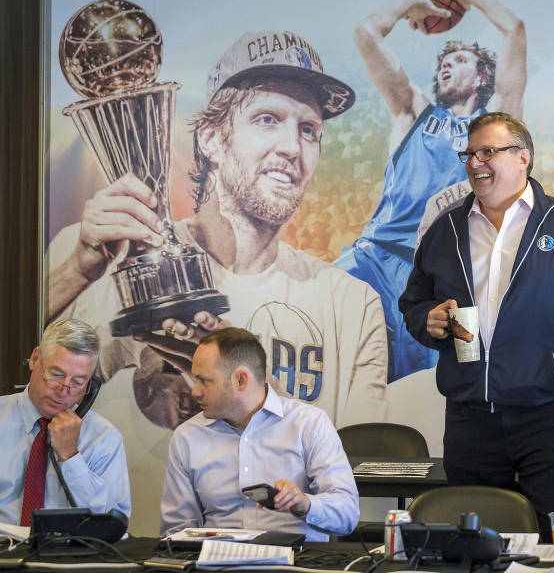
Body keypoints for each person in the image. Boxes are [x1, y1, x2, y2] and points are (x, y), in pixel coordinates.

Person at [45, 29, 388, 430]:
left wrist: (244, 386)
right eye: (267, 119)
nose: (293, 147)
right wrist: (77, 273)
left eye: (309, 129)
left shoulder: (352, 304)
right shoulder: (101, 259)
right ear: (210, 138)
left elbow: (358, 470)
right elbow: (22, 393)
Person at [399, 112, 554, 539]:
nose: (475, 162)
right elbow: (413, 302)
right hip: (470, 420)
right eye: (469, 153)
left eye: (488, 152)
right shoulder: (445, 229)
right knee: (474, 545)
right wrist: (427, 319)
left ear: (523, 158)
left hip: (551, 420)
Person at [340, 0, 526, 382]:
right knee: (312, 310)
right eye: (443, 61)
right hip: (376, 258)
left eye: (458, 60)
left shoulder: (497, 125)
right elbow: (366, 34)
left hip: (455, 281)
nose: (446, 66)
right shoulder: (413, 112)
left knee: (462, 379)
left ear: (482, 77)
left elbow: (514, 29)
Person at [160, 327, 358, 540]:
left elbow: (347, 515)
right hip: (218, 564)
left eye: (205, 381)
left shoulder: (309, 424)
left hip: (296, 563)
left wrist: (305, 504)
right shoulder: (187, 437)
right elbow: (176, 534)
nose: (195, 391)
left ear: (240, 380)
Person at [0, 319, 130, 525]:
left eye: (77, 382)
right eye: (56, 374)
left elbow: (112, 525)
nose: (63, 390)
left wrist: (70, 456)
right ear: (35, 359)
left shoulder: (104, 437)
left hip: (68, 554)